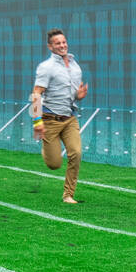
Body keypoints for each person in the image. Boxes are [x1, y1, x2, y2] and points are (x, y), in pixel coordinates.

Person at [30, 29, 89, 204]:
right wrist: (37, 121)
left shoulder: (75, 66)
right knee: (54, 164)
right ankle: (47, 147)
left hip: (70, 118)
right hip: (49, 120)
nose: (62, 45)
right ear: (50, 46)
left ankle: (68, 194)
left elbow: (72, 94)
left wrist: (78, 95)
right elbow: (36, 93)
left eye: (63, 42)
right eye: (57, 43)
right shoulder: (46, 67)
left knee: (76, 153)